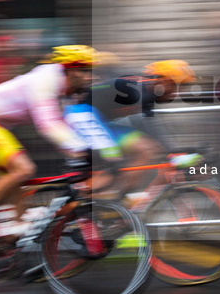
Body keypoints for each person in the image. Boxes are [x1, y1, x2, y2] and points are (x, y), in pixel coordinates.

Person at [0, 45, 97, 251]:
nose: (89, 77)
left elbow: (64, 127)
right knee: (23, 169)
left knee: (17, 213)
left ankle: (5, 255)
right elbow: (48, 125)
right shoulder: (46, 79)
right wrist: (80, 150)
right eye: (85, 71)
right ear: (70, 69)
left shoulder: (62, 90)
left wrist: (84, 152)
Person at [82, 59, 201, 195]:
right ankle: (108, 198)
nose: (176, 94)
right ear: (163, 81)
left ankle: (121, 201)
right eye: (176, 87)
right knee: (143, 150)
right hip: (86, 120)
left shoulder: (145, 89)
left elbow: (153, 127)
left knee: (146, 149)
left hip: (99, 121)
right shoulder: (141, 91)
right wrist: (174, 153)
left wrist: (176, 151)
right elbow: (148, 125)